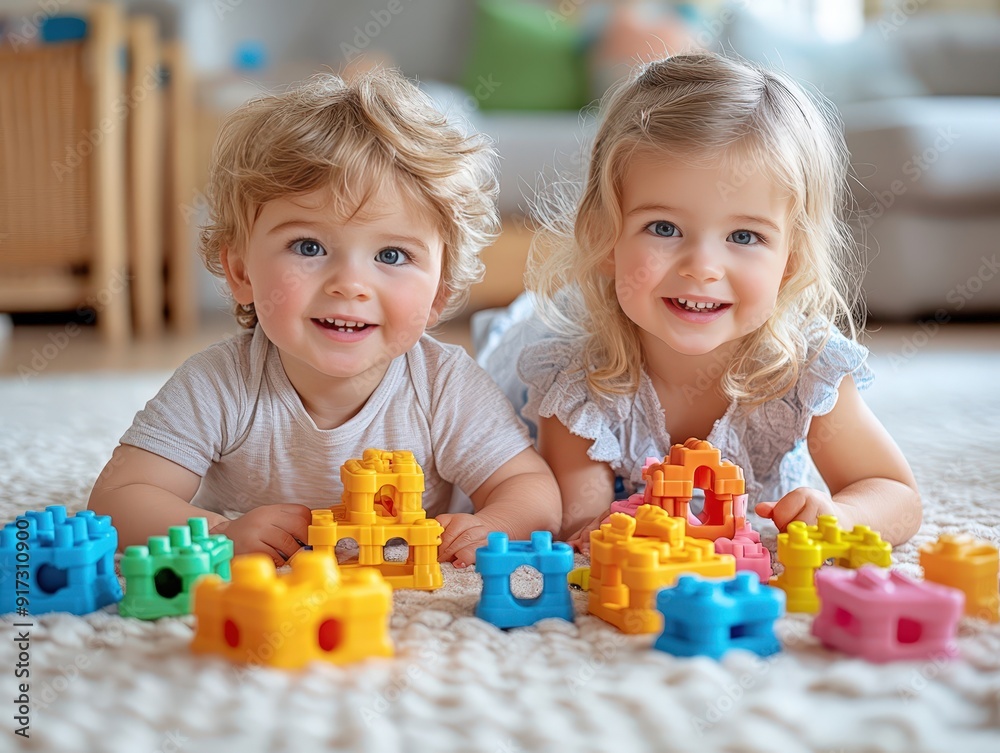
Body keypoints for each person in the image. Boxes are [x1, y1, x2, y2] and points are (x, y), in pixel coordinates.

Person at [88, 69, 561, 568]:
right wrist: (221, 532)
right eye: (309, 247)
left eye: (393, 256)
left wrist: (496, 526)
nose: (349, 283)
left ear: (439, 294)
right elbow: (119, 499)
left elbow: (530, 489)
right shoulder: (219, 384)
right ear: (241, 270)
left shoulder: (445, 386)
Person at [477, 52, 921, 550]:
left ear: (791, 259)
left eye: (745, 236)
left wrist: (840, 515)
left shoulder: (807, 369)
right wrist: (603, 527)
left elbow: (896, 494)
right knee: (505, 352)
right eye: (664, 228)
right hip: (551, 345)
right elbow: (577, 515)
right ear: (606, 239)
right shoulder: (575, 375)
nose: (702, 266)